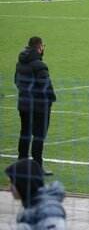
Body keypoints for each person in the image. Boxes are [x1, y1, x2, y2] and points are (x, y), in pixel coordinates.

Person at [5, 159, 69, 230]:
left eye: (12, 182)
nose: (9, 188)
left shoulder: (48, 210)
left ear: (23, 183)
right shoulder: (30, 208)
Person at [14, 37, 56, 175]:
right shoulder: (39, 65)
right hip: (39, 107)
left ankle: (22, 163)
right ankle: (37, 166)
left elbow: (17, 81)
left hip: (24, 105)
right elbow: (45, 85)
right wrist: (51, 98)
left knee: (24, 134)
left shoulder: (20, 63)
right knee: (38, 136)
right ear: (39, 47)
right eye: (43, 45)